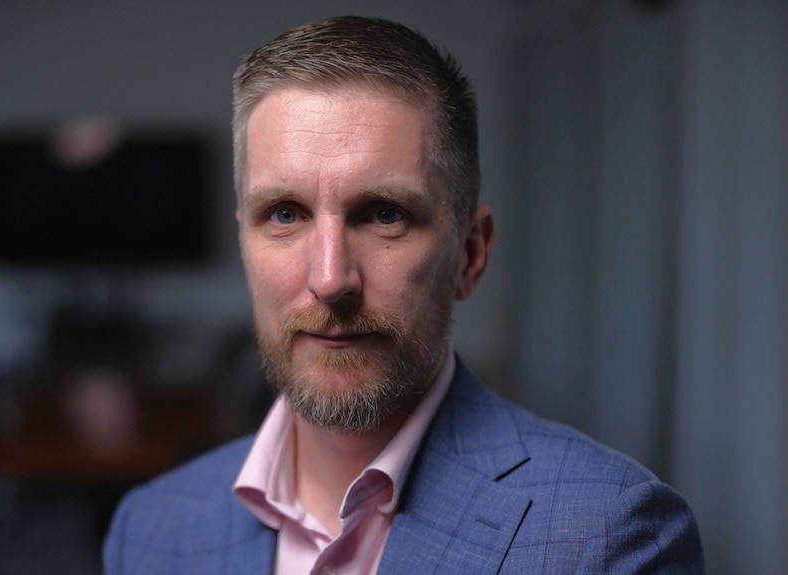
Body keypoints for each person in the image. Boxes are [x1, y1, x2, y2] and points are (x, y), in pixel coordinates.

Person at [103, 15, 705, 574]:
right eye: (285, 213)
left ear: (470, 254)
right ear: (244, 244)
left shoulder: (610, 536)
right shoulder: (151, 530)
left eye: (384, 214)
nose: (331, 278)